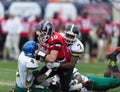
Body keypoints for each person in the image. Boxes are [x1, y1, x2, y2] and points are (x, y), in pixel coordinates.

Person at [34, 20, 72, 92]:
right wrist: (39, 54)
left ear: (48, 33)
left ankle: (82, 85)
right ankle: (53, 86)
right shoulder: (46, 39)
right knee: (36, 80)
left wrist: (39, 53)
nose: (40, 36)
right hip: (53, 65)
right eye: (40, 34)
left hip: (64, 65)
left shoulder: (55, 39)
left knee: (65, 89)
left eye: (42, 34)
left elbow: (52, 58)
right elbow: (42, 59)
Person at [51, 67, 120, 92]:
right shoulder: (55, 79)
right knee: (105, 88)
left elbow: (79, 77)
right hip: (87, 88)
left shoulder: (67, 69)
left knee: (117, 81)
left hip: (92, 82)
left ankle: (113, 59)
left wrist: (74, 82)